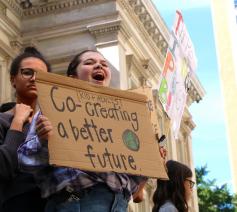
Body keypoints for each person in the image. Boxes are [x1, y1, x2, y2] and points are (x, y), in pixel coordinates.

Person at [18, 49, 147, 212]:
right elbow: (25, 160)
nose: (99, 65)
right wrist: (43, 140)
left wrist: (149, 158)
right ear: (73, 78)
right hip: (75, 201)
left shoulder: (126, 119)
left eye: (104, 64)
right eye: (89, 63)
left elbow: (134, 185)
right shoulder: (55, 109)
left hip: (119, 204)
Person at [0, 46, 52, 212]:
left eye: (41, 75)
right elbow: (3, 167)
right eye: (27, 72)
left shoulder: (52, 124)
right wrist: (17, 122)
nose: (34, 78)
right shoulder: (2, 120)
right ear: (13, 79)